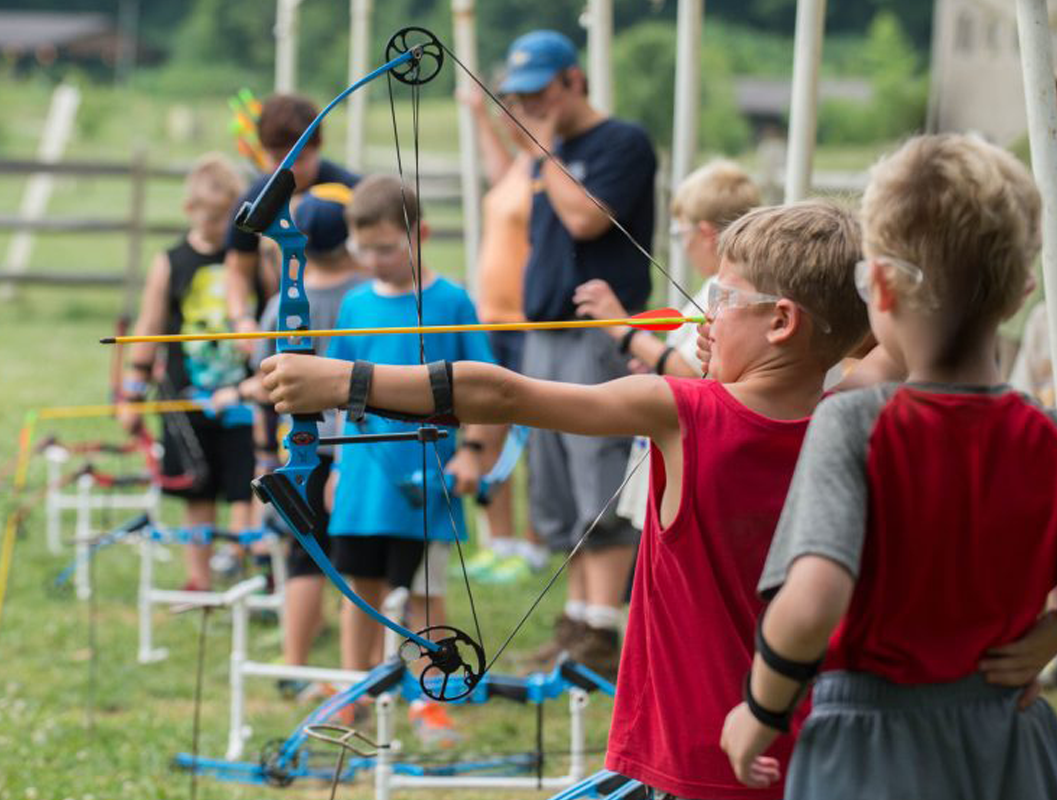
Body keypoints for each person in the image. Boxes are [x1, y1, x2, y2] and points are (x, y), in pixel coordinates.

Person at [258, 199, 871, 798]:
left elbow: (503, 396)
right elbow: (880, 342)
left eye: (722, 300)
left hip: (698, 756)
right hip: (808, 749)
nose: (703, 323)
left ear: (782, 322)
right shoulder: (861, 421)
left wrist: (344, 380)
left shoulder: (683, 411)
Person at [721, 135, 1057, 799]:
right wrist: (1050, 636)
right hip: (1012, 744)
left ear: (877, 283)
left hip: (872, 748)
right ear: (1021, 292)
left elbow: (814, 599)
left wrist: (759, 711)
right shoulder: (1044, 435)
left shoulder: (855, 423)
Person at [497, 29, 659, 677]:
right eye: (522, 97)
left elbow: (588, 219)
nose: (531, 107)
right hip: (544, 331)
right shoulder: (550, 155)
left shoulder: (621, 142)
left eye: (539, 93)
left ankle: (603, 628)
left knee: (600, 473)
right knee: (557, 480)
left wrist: (541, 153)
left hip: (598, 332)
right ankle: (578, 624)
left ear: (574, 80)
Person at [323, 175, 501, 742]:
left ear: (419, 234)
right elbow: (330, 387)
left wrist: (473, 453)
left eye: (386, 247)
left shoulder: (451, 301)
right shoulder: (354, 305)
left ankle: (431, 697)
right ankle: (354, 690)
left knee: (426, 594)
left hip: (428, 482)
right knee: (361, 588)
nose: (373, 260)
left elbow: (490, 387)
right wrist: (328, 464)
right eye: (362, 249)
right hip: (361, 482)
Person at [574, 160, 762, 534]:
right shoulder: (716, 290)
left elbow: (691, 373)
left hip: (687, 462)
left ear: (706, 234)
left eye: (680, 233)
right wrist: (655, 364)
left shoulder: (723, 293)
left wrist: (622, 327)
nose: (683, 243)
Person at [243, 184, 369, 678]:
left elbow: (262, 382)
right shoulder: (366, 294)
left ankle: (296, 666)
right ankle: (355, 670)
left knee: (304, 553)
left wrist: (260, 450)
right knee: (355, 560)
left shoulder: (280, 304)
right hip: (355, 442)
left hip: (302, 447)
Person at [119, 153, 255, 591]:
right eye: (211, 218)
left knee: (245, 484)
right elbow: (150, 327)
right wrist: (133, 394)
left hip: (242, 395)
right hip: (185, 395)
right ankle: (198, 579)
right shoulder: (171, 261)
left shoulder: (251, 258)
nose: (219, 229)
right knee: (197, 490)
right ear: (189, 211)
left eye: (227, 219)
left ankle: (239, 563)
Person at [458, 83, 548, 583]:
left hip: (527, 317)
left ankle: (534, 541)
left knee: (531, 430)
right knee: (484, 425)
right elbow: (497, 177)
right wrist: (479, 117)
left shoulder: (548, 165)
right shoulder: (518, 165)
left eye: (516, 109)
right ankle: (500, 539)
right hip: (491, 314)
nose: (509, 118)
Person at [223, 94, 360, 344]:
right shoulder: (253, 203)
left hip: (348, 323)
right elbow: (238, 271)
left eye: (301, 158)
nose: (291, 170)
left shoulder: (352, 192)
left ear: (319, 146)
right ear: (262, 153)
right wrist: (242, 320)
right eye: (279, 160)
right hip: (280, 329)